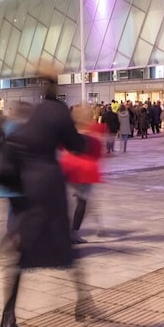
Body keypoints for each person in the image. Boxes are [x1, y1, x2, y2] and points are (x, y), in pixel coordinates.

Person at [0, 78, 90, 327]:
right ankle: (83, 300)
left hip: (28, 183)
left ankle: (8, 315)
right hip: (48, 186)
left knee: (23, 253)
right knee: (63, 245)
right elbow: (76, 145)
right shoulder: (58, 111)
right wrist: (85, 133)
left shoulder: (37, 111)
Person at [59, 105, 103, 244]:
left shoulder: (68, 133)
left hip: (67, 168)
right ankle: (74, 233)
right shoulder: (92, 137)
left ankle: (62, 230)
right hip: (84, 172)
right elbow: (97, 154)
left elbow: (60, 147)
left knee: (66, 202)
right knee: (81, 202)